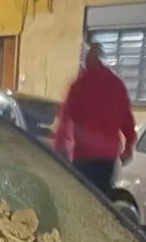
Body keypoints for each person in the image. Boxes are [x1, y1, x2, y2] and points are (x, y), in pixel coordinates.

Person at [54, 43, 136, 196]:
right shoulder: (117, 86)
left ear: (87, 61)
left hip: (84, 154)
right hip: (107, 156)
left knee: (82, 197)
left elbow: (66, 120)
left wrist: (59, 147)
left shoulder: (80, 86)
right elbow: (127, 120)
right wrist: (129, 147)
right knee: (101, 197)